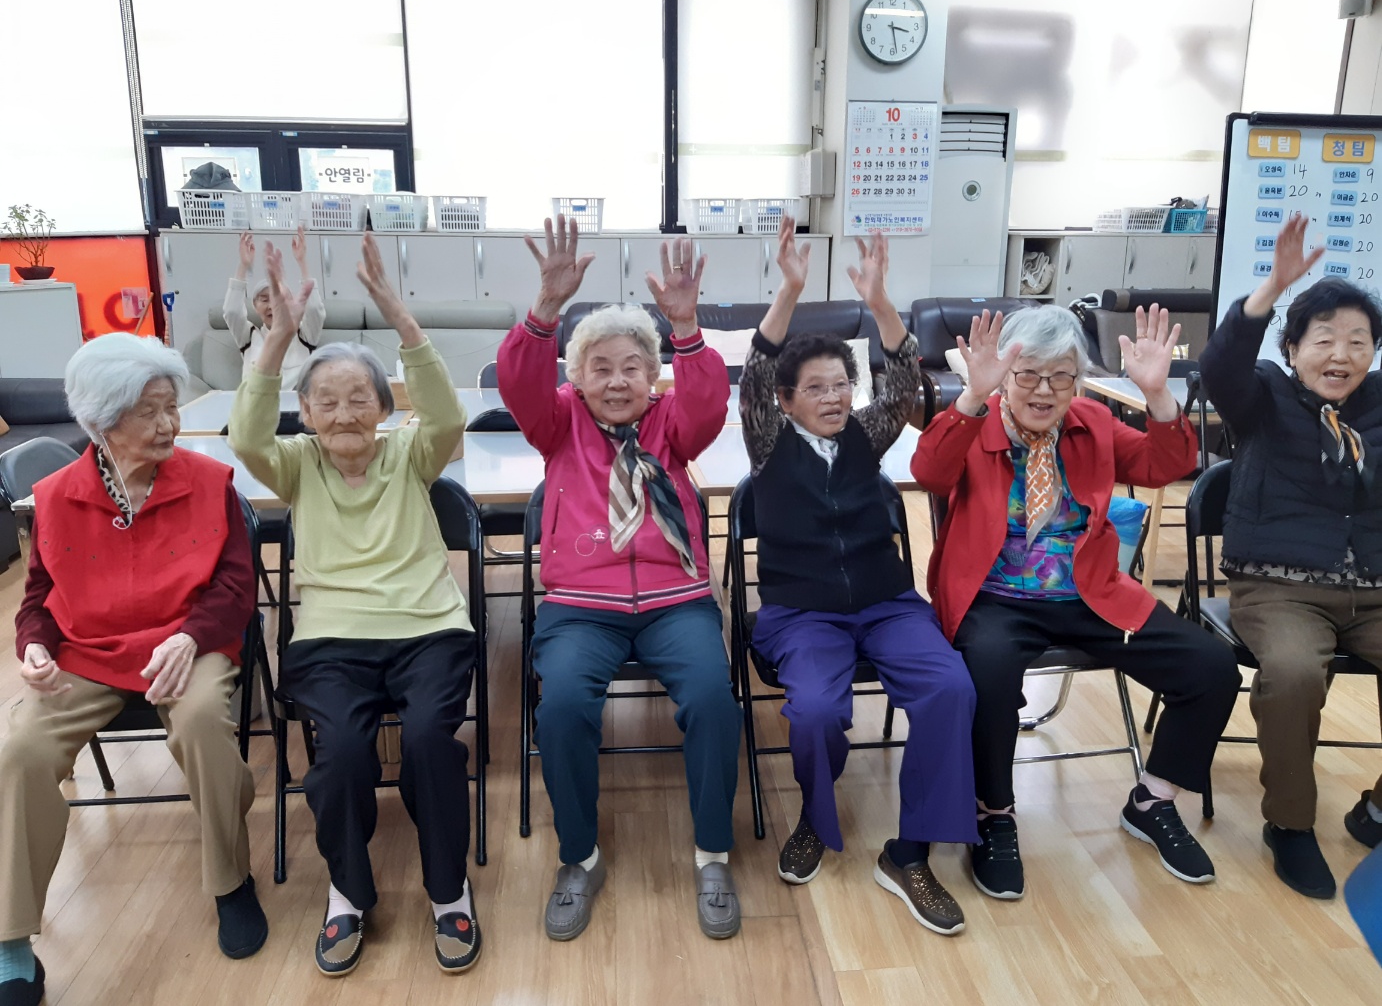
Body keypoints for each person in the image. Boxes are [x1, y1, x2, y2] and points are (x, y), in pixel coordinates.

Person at [912, 303, 1241, 899]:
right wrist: (972, 397)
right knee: (987, 677)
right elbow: (929, 473)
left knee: (1212, 667)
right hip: (994, 598)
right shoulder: (976, 422)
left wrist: (1158, 395)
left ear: (1079, 380)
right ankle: (994, 813)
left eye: (1061, 375)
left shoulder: (1092, 422)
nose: (1044, 390)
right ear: (1005, 373)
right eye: (1028, 374)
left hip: (1090, 594)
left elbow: (1167, 464)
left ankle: (1152, 799)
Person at [228, 234, 479, 977]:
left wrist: (402, 319)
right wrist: (278, 339)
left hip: (428, 629)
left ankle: (449, 888)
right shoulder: (295, 465)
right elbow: (247, 434)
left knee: (431, 741)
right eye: (326, 402)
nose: (343, 414)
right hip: (332, 641)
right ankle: (348, 890)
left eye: (358, 398)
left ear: (383, 407)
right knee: (337, 757)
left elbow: (446, 420)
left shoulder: (410, 454)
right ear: (305, 413)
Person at [497, 215, 742, 942]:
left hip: (676, 601)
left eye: (631, 366)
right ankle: (579, 857)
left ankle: (712, 853)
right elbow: (518, 381)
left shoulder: (672, 423)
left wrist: (686, 328)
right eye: (599, 367)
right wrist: (545, 308)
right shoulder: (556, 423)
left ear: (652, 375)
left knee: (713, 698)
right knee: (562, 707)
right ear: (575, 378)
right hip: (580, 605)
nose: (615, 380)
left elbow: (708, 405)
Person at [1, 334, 265, 1006]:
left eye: (170, 406)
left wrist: (191, 636)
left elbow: (236, 587)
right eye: (148, 411)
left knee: (202, 723)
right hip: (87, 652)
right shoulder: (56, 496)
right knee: (20, 749)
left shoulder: (209, 482)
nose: (168, 423)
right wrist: (33, 647)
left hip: (186, 644)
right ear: (102, 419)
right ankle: (10, 938)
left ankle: (231, 881)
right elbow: (38, 598)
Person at [739, 220, 978, 936]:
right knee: (815, 712)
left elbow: (905, 384)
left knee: (950, 688)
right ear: (786, 400)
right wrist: (790, 290)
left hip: (887, 604)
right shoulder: (768, 441)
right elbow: (754, 372)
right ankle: (816, 817)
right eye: (816, 388)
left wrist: (879, 303)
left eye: (842, 385)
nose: (835, 397)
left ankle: (910, 853)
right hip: (802, 613)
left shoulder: (864, 436)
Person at [1199, 213, 1382, 899]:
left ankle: (1377, 810)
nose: (1341, 355)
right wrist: (1273, 287)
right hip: (1280, 588)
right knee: (1295, 671)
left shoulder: (1380, 403)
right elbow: (1219, 366)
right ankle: (1291, 824)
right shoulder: (1264, 395)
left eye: (1358, 342)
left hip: (1375, 587)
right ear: (1294, 346)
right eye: (1324, 339)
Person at [223, 225, 326, 389]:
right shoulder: (249, 336)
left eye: (279, 300)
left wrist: (302, 262)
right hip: (257, 403)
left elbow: (315, 310)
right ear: (255, 306)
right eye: (264, 300)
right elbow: (232, 312)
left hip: (295, 403)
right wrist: (243, 265)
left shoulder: (304, 335)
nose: (272, 306)